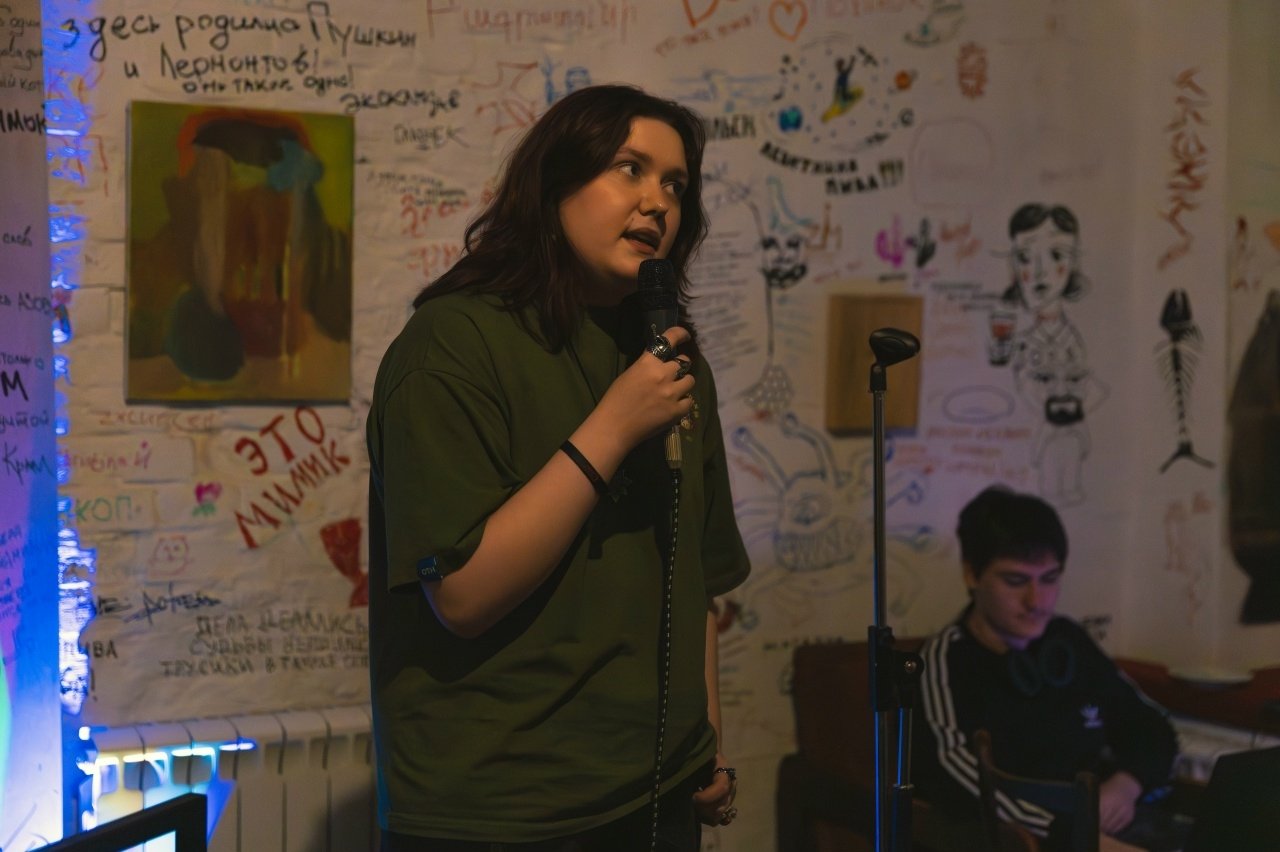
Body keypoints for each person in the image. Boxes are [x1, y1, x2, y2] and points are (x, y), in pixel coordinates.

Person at [366, 84, 751, 851]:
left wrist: (705, 738)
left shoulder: (672, 360)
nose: (658, 202)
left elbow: (694, 578)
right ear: (554, 185)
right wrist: (613, 427)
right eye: (630, 168)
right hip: (499, 806)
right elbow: (463, 596)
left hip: (656, 791)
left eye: (676, 184)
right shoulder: (452, 344)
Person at [914, 485, 1182, 851]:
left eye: (1050, 579)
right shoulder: (944, 660)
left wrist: (1127, 785)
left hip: (1106, 828)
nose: (1036, 601)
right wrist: (1074, 834)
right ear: (972, 575)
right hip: (1029, 842)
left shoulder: (1067, 639)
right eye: (1015, 581)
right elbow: (958, 776)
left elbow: (1151, 726)